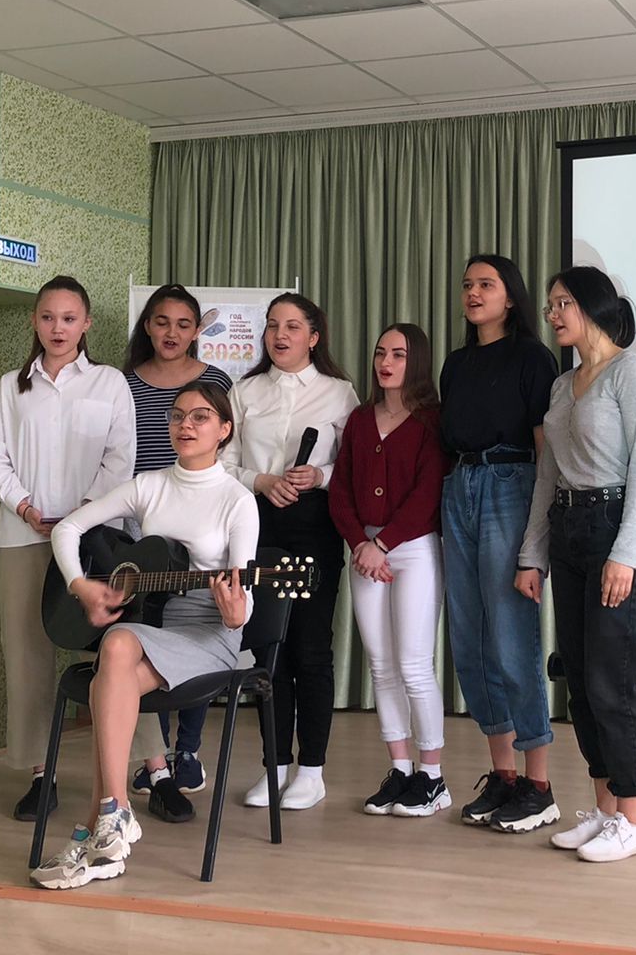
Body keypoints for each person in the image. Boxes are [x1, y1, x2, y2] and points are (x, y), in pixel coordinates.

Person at [31, 383, 257, 890]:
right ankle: (108, 825)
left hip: (208, 631)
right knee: (113, 661)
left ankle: (102, 822)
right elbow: (67, 529)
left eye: (201, 417)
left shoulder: (237, 500)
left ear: (224, 430)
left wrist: (236, 613)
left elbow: (241, 598)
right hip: (153, 624)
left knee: (111, 657)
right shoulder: (148, 485)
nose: (186, 425)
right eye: (178, 415)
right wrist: (81, 585)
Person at [0, 275, 148, 822]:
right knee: (28, 655)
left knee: (117, 646)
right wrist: (25, 504)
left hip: (96, 538)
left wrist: (82, 514)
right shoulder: (11, 387)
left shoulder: (109, 382)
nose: (58, 328)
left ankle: (152, 768)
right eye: (48, 317)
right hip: (24, 535)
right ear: (35, 321)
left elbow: (121, 457)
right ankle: (40, 774)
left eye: (69, 318)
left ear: (86, 324)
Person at [518, 267, 636, 863]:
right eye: (550, 305)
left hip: (613, 528)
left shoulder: (631, 372)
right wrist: (532, 554)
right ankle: (606, 812)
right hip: (569, 528)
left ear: (593, 306)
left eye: (563, 303)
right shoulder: (561, 385)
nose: (552, 315)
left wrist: (626, 554)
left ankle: (635, 820)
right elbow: (547, 476)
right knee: (578, 680)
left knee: (611, 682)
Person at [221, 293, 358, 810]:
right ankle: (274, 765)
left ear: (314, 337)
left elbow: (354, 468)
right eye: (273, 325)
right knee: (267, 650)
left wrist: (319, 475)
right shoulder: (244, 390)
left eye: (293, 326)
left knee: (310, 648)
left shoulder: (339, 393)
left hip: (315, 528)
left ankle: (312, 771)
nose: (280, 335)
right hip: (258, 523)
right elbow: (223, 462)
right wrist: (261, 480)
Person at [439, 255, 560, 834]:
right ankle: (504, 776)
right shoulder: (455, 364)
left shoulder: (533, 358)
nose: (473, 293)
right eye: (467, 285)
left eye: (486, 284)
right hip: (459, 486)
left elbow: (545, 453)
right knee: (470, 640)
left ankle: (540, 785)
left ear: (510, 297)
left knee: (511, 638)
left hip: (511, 485)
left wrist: (534, 545)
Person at [122, 284, 235, 818]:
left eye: (183, 323)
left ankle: (186, 749)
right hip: (141, 517)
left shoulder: (216, 381)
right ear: (147, 326)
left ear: (197, 330)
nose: (171, 332)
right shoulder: (124, 382)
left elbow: (226, 453)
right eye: (161, 321)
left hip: (201, 512)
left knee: (196, 621)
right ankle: (154, 758)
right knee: (147, 628)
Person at [328, 324, 448, 818]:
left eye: (398, 354)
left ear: (415, 361)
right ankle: (399, 769)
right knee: (381, 665)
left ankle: (433, 777)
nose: (386, 362)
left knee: (415, 664)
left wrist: (381, 544)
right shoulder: (359, 419)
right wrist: (361, 543)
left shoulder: (431, 421)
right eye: (381, 353)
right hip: (364, 551)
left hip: (412, 549)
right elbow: (340, 490)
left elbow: (428, 494)